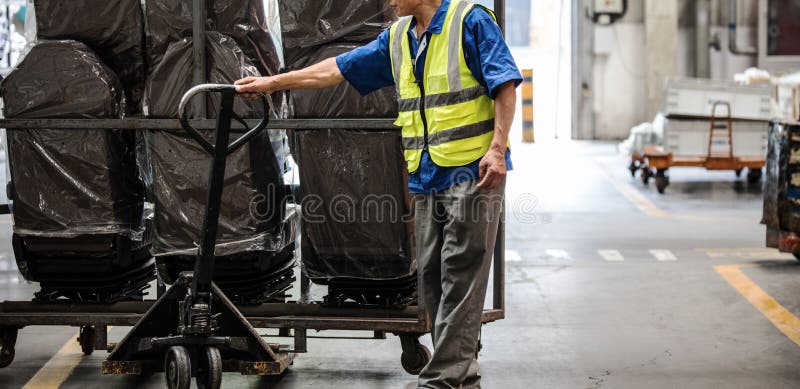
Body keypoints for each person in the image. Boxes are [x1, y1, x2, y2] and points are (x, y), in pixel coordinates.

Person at [236, 0, 520, 387]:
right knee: (433, 278)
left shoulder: (469, 21)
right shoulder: (400, 37)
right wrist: (273, 83)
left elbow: (504, 83)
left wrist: (498, 149)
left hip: (473, 168)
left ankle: (447, 378)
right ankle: (459, 371)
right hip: (426, 173)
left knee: (461, 272)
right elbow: (337, 69)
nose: (387, 1)